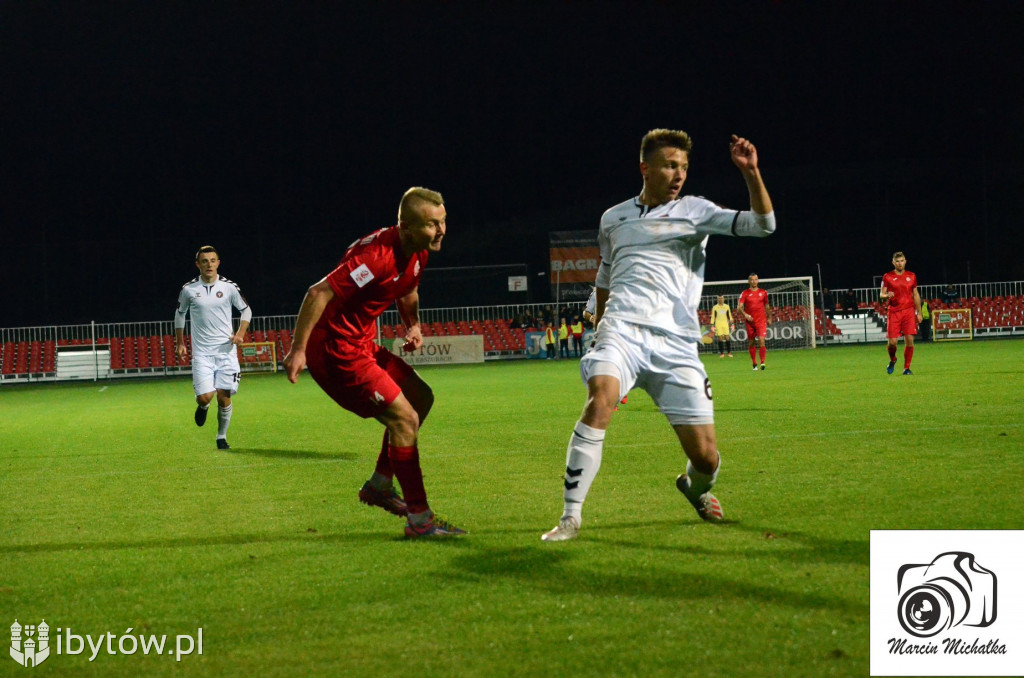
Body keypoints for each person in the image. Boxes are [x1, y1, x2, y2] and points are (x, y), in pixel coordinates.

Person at [541, 128, 775, 542]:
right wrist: (599, 320)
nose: (678, 174)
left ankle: (694, 487)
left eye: (683, 166)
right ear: (645, 168)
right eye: (670, 165)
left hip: (677, 344)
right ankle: (570, 517)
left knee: (705, 458)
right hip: (622, 332)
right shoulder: (612, 218)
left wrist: (751, 173)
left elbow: (763, 225)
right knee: (601, 397)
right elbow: (607, 272)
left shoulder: (697, 211)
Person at [282, 187, 464, 539]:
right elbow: (318, 292)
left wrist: (412, 324)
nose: (441, 230)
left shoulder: (418, 252)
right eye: (432, 224)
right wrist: (298, 349)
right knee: (405, 418)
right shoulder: (375, 257)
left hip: (361, 344)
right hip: (337, 351)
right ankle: (420, 520)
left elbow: (408, 288)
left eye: (443, 222)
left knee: (421, 397)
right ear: (406, 227)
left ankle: (381, 485)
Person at [174, 246, 252, 450]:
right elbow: (180, 313)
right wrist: (180, 342)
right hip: (202, 353)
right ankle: (203, 406)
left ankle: (221, 437)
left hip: (226, 352)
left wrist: (240, 334)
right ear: (198, 264)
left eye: (213, 260)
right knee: (205, 396)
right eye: (205, 261)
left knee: (224, 397)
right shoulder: (189, 289)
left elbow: (246, 311)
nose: (209, 264)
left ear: (218, 262)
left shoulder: (229, 287)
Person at [880, 251, 922, 375]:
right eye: (897, 261)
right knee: (892, 343)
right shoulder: (887, 276)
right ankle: (893, 359)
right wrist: (887, 295)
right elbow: (881, 294)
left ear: (905, 262)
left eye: (902, 261)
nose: (900, 263)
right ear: (893, 262)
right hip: (893, 312)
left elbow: (915, 294)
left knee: (909, 340)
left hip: (908, 311)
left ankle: (906, 368)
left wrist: (919, 312)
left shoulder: (912, 276)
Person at [738, 274, 772, 370]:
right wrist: (745, 315)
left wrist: (770, 317)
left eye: (755, 279)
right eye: (752, 280)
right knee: (752, 343)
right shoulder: (744, 293)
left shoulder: (763, 292)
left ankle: (762, 362)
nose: (754, 281)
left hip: (761, 321)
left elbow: (767, 306)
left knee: (761, 340)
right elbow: (739, 307)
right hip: (750, 322)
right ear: (749, 281)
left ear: (758, 281)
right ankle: (754, 363)